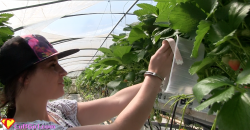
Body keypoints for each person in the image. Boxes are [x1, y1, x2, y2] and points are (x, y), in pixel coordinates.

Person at [0, 34, 174, 130]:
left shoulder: (57, 110)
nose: (64, 72)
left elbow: (116, 101)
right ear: (25, 78)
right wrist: (154, 75)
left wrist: (166, 78)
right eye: (52, 65)